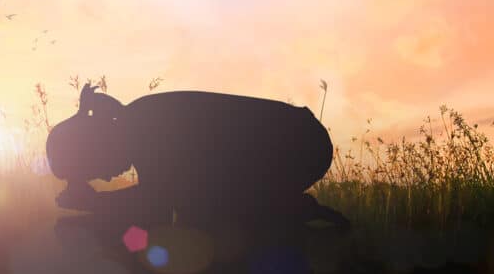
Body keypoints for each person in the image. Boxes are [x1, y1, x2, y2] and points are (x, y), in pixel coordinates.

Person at [46, 83, 349, 229]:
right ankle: (292, 210)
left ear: (92, 145)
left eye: (95, 170)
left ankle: (293, 211)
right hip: (298, 141)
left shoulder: (144, 126)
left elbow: (156, 208)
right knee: (194, 209)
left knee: (196, 214)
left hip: (300, 147)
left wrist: (95, 203)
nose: (108, 178)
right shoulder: (137, 117)